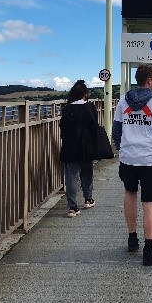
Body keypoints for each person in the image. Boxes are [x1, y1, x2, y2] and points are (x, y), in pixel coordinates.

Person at [112, 65, 152, 266]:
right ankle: (148, 248)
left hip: (128, 158)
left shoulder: (123, 101)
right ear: (149, 80)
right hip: (151, 160)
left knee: (130, 193)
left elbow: (116, 131)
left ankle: (132, 238)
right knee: (149, 202)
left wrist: (124, 149)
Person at [59, 80, 98, 217]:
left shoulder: (66, 109)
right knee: (87, 172)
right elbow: (94, 126)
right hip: (86, 145)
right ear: (85, 94)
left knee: (71, 175)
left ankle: (72, 207)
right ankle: (88, 199)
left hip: (69, 146)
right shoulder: (89, 107)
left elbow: (62, 128)